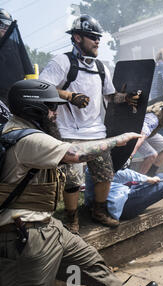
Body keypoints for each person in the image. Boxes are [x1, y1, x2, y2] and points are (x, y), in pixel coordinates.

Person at [0, 79, 158, 286]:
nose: (55, 113)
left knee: (88, 261)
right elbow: (75, 154)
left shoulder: (23, 132)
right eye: (51, 107)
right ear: (33, 107)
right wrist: (118, 140)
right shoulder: (27, 139)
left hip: (45, 225)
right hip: (24, 234)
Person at [40, 15, 141, 233]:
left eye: (98, 37)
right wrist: (69, 95)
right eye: (92, 37)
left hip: (96, 131)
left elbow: (111, 96)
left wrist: (127, 98)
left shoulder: (101, 67)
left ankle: (99, 211)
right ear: (77, 37)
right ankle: (71, 219)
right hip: (69, 132)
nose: (97, 41)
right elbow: (41, 87)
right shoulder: (62, 62)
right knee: (72, 179)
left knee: (105, 174)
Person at [84, 168, 163, 222]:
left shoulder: (102, 159)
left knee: (162, 177)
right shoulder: (98, 165)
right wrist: (147, 179)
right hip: (121, 207)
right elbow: (123, 174)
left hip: (123, 193)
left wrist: (147, 179)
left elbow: (122, 175)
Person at [130, 95, 163, 176]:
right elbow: (141, 136)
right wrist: (131, 155)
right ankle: (136, 181)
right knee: (152, 155)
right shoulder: (152, 119)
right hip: (136, 133)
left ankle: (150, 174)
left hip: (150, 133)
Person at [0, 8, 34, 103]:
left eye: (8, 26)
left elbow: (28, 71)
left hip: (15, 98)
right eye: (1, 25)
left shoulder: (15, 46)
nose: (5, 28)